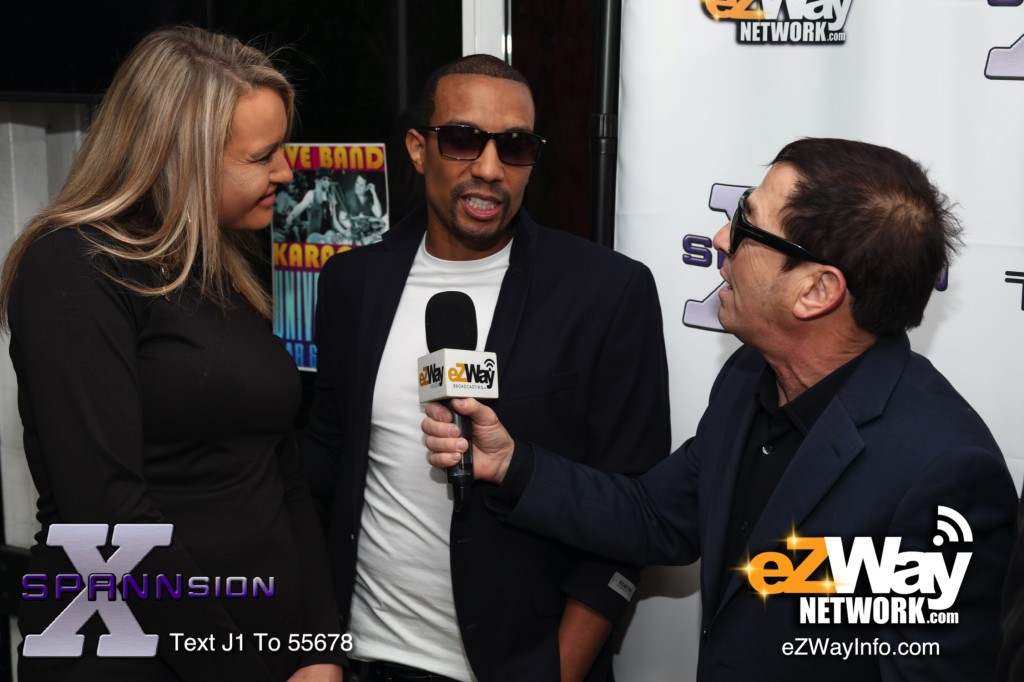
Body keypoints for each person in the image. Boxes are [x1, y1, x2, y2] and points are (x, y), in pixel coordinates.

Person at [423, 138, 1018, 681]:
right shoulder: (746, 378)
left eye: (747, 225)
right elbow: (657, 518)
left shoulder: (943, 472)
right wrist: (510, 464)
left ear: (817, 291)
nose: (720, 239)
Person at [301, 54, 670, 682]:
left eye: (516, 146)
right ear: (418, 149)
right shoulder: (352, 283)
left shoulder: (607, 293)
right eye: (463, 140)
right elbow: (328, 463)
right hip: (360, 658)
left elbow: (635, 506)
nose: (491, 169)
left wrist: (557, 670)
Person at [0, 26, 343, 682]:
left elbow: (281, 473)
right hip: (122, 650)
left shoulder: (221, 265)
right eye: (263, 156)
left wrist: (319, 646)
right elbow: (109, 516)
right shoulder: (73, 268)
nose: (285, 171)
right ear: (182, 158)